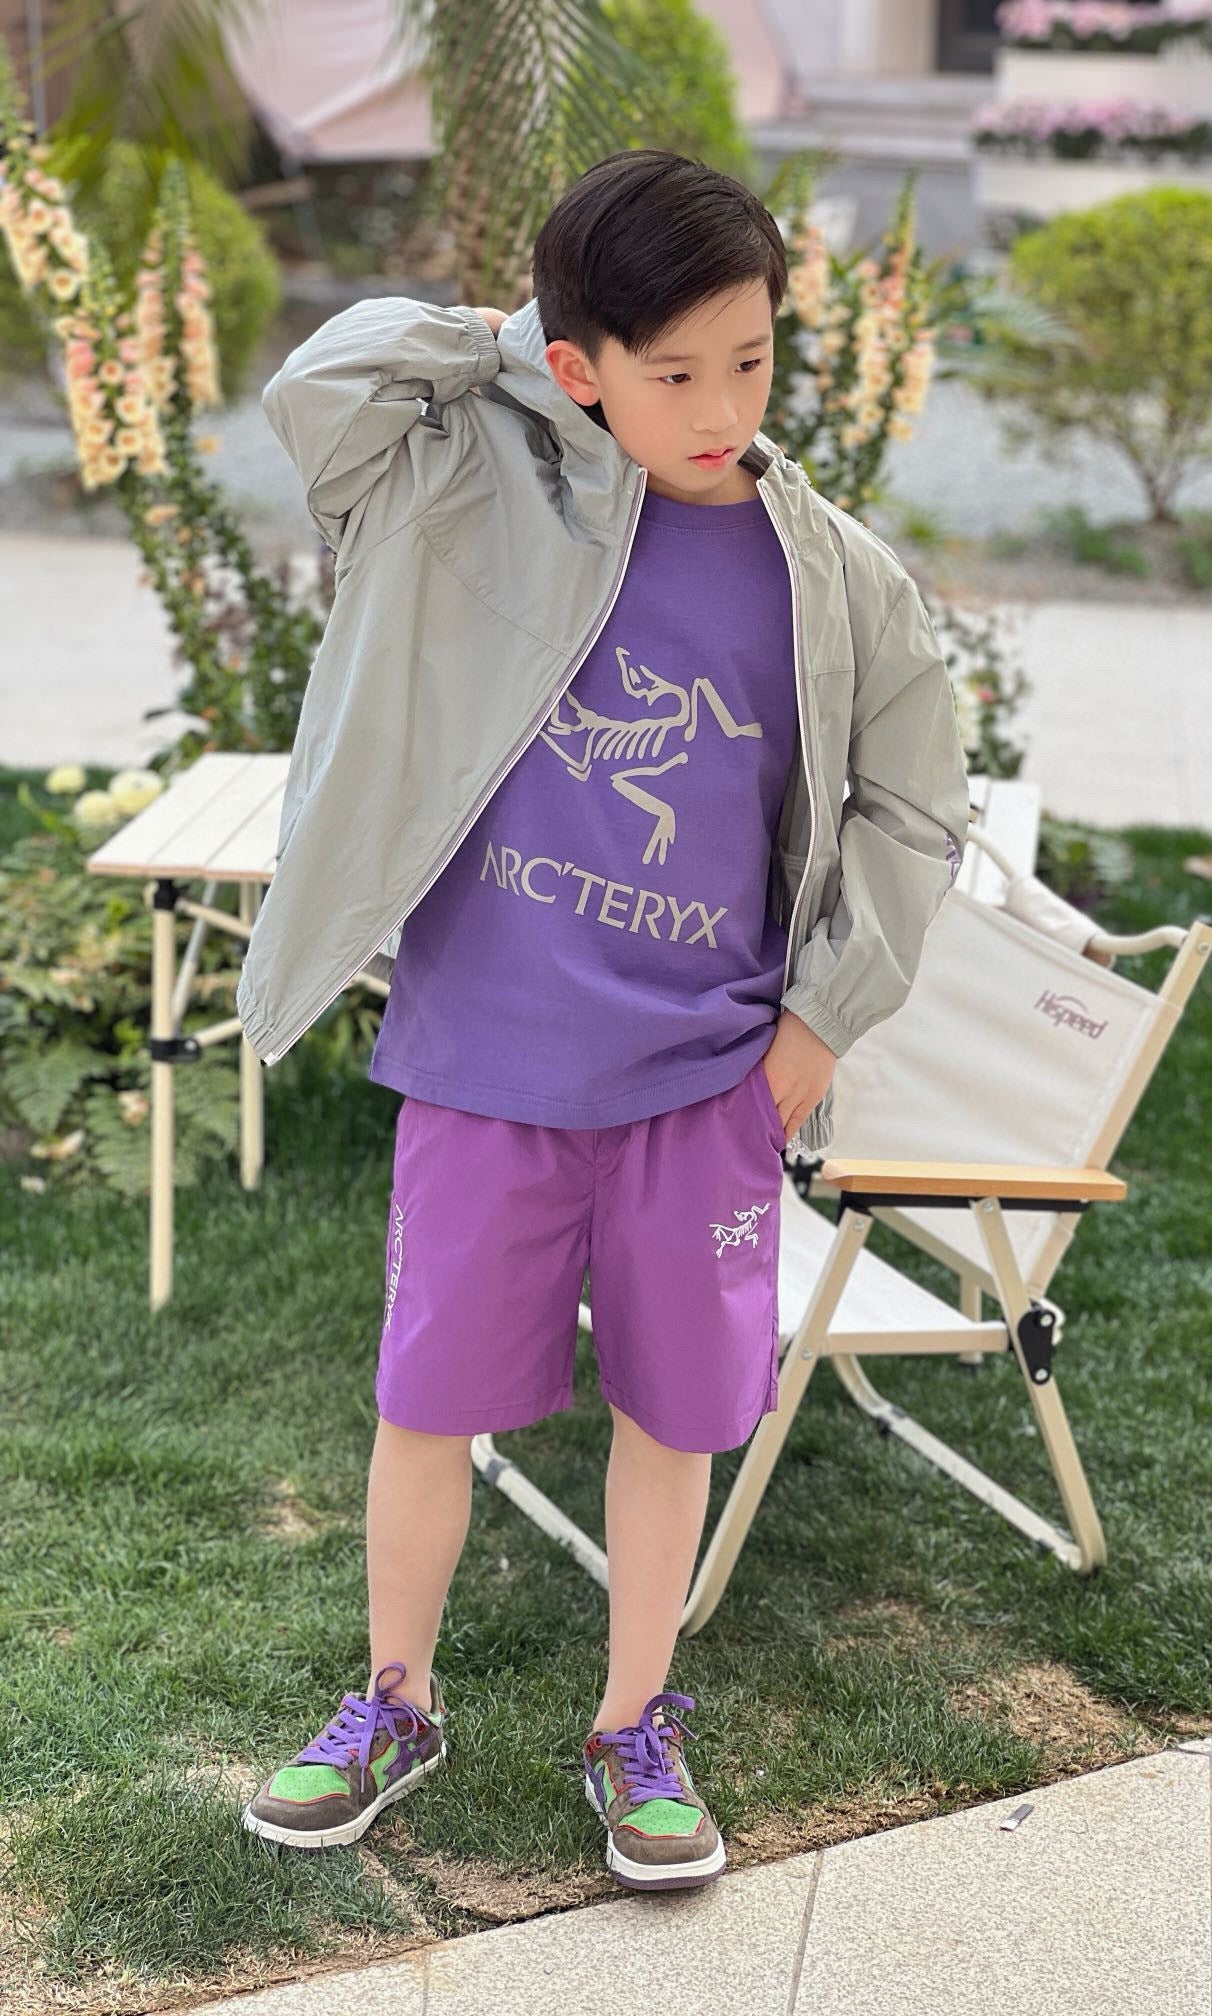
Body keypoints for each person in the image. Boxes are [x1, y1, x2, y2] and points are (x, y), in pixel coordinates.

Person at [237, 150, 971, 1891]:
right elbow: (317, 388)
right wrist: (521, 340)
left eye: (753, 360)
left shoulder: (834, 577)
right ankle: (394, 1700)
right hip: (484, 1063)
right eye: (674, 370)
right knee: (426, 1403)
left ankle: (635, 1723)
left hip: (701, 1085)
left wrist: (812, 1033)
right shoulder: (471, 490)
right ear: (576, 366)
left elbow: (917, 805)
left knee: (676, 1416)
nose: (723, 411)